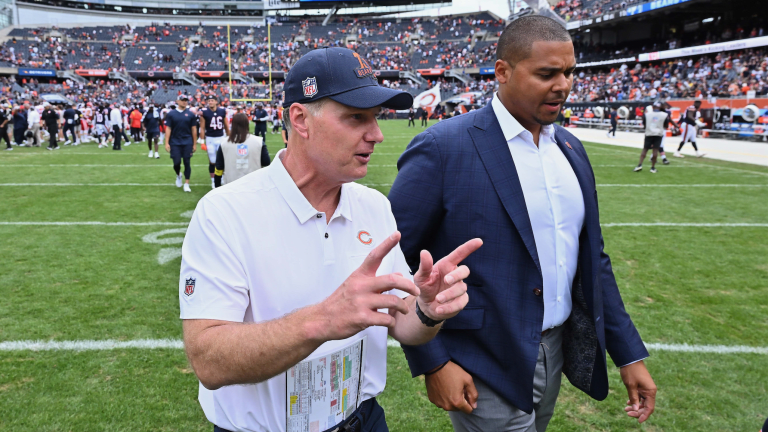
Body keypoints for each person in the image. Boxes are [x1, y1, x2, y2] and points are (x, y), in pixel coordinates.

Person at [179, 46, 483, 432]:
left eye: (375, 118)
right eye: (356, 117)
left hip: (364, 420)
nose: (376, 135)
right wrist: (322, 319)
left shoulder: (373, 206)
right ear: (300, 119)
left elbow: (405, 325)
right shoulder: (224, 212)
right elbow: (208, 359)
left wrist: (427, 308)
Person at [389, 16, 656, 432]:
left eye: (568, 72)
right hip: (481, 358)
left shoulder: (570, 149)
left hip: (555, 349)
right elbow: (393, 262)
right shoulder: (444, 147)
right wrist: (433, 360)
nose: (563, 85)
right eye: (547, 74)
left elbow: (592, 260)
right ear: (503, 72)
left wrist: (628, 353)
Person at [213, 113, 269, 188]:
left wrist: (217, 186)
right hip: (254, 184)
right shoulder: (258, 141)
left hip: (231, 185)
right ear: (247, 124)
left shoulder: (224, 143)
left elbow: (219, 167)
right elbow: (266, 162)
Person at [164, 95, 198, 193]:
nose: (184, 102)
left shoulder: (191, 114)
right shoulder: (171, 114)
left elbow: (194, 129)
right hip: (175, 142)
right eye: (182, 100)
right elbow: (168, 128)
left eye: (186, 100)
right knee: (176, 163)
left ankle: (187, 183)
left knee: (187, 162)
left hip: (187, 141)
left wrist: (194, 144)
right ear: (177, 101)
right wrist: (166, 143)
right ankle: (178, 174)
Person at [199, 95, 230, 189]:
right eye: (209, 100)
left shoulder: (222, 111)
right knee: (212, 161)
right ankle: (213, 180)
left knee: (223, 159)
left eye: (212, 100)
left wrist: (229, 137)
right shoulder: (204, 112)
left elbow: (226, 125)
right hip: (210, 138)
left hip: (221, 137)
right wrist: (202, 141)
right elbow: (202, 127)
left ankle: (223, 177)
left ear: (216, 102)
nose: (210, 102)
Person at [634, 102, 670, 174]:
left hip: (649, 133)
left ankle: (639, 165)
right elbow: (666, 125)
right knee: (655, 151)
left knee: (645, 149)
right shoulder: (664, 115)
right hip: (658, 134)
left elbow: (644, 124)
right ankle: (652, 167)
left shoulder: (647, 115)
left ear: (653, 107)